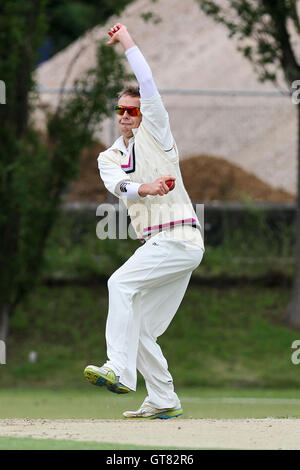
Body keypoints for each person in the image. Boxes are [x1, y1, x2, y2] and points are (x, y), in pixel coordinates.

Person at [84, 23, 205, 419]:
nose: (124, 116)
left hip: (178, 238)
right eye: (120, 110)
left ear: (144, 113)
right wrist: (145, 188)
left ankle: (116, 369)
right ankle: (164, 398)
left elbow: (146, 79)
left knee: (118, 283)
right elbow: (120, 187)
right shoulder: (109, 157)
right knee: (139, 326)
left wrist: (128, 42)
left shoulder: (158, 132)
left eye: (131, 110)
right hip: (164, 246)